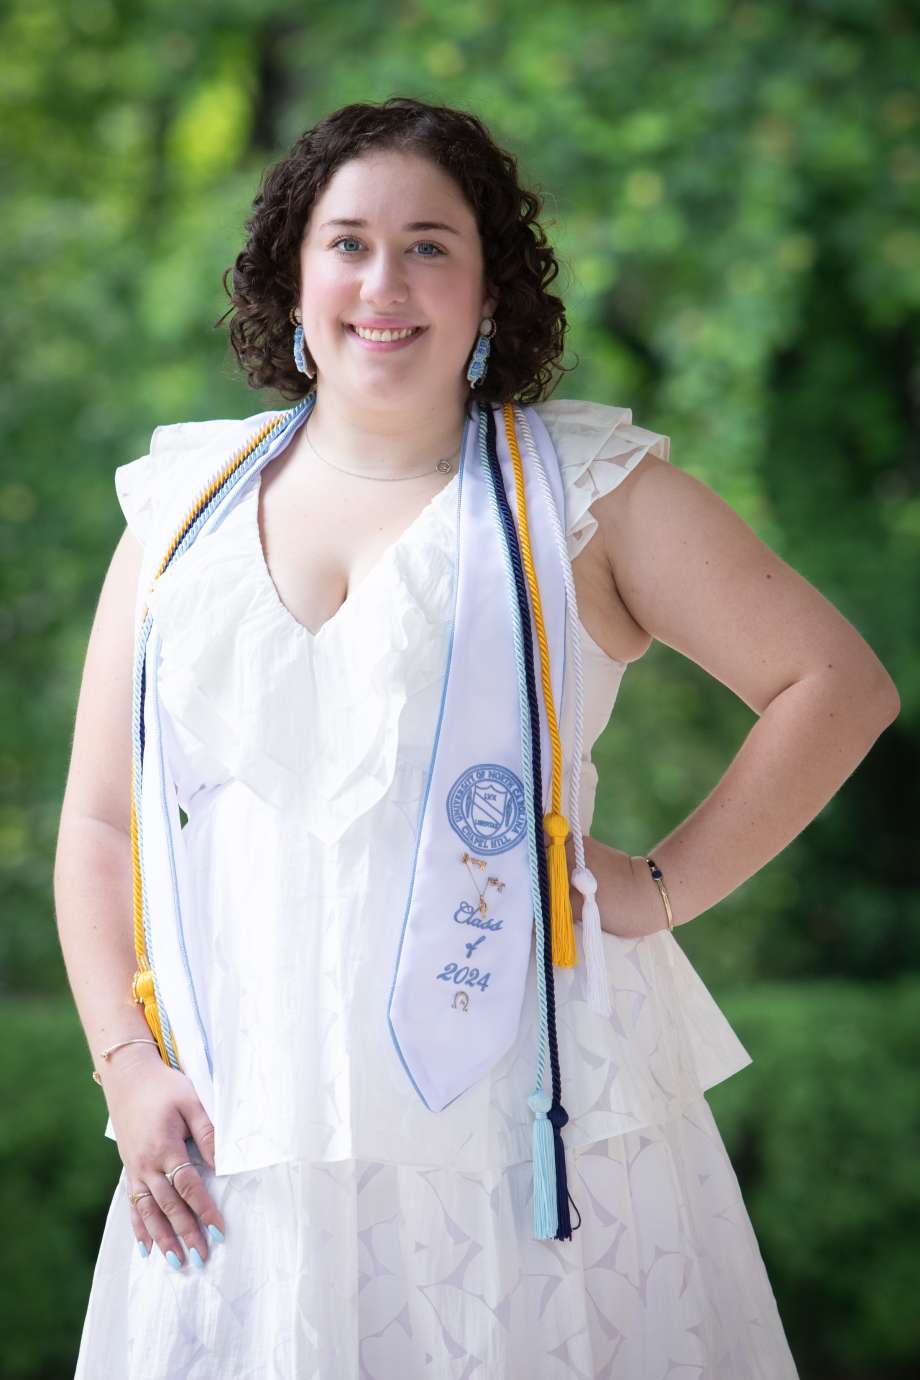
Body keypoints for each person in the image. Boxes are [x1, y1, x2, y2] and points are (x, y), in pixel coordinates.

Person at [57, 96, 898, 1378]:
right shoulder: (180, 511)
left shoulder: (588, 495)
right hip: (244, 1120)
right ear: (293, 275)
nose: (381, 282)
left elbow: (833, 685)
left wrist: (660, 886)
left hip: (526, 1121)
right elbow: (100, 822)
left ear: (490, 287)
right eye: (345, 243)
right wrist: (123, 1067)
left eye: (429, 245)